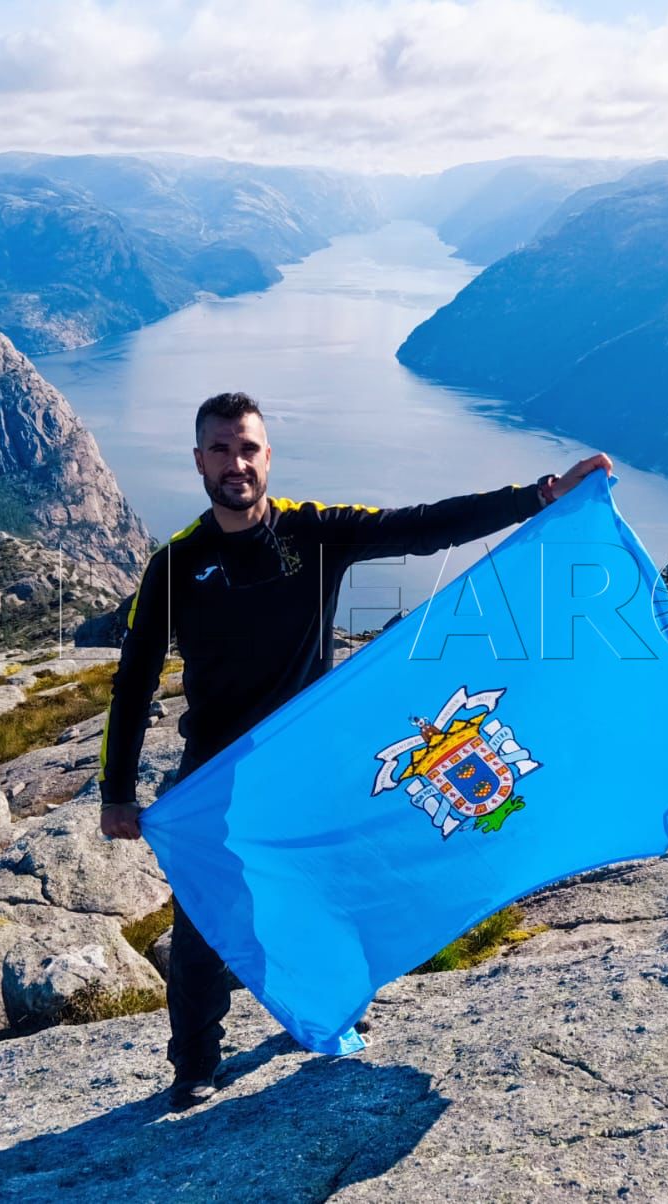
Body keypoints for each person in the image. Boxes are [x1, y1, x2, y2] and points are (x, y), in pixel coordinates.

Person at [97, 390, 612, 1110]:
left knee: (329, 890)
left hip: (311, 765)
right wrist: (116, 793)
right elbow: (134, 681)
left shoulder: (313, 531)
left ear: (267, 456)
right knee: (206, 919)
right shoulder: (177, 565)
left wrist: (541, 496)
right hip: (220, 773)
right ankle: (195, 1063)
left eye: (248, 448)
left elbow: (424, 526)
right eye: (220, 449)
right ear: (199, 461)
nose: (235, 463)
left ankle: (332, 1007)